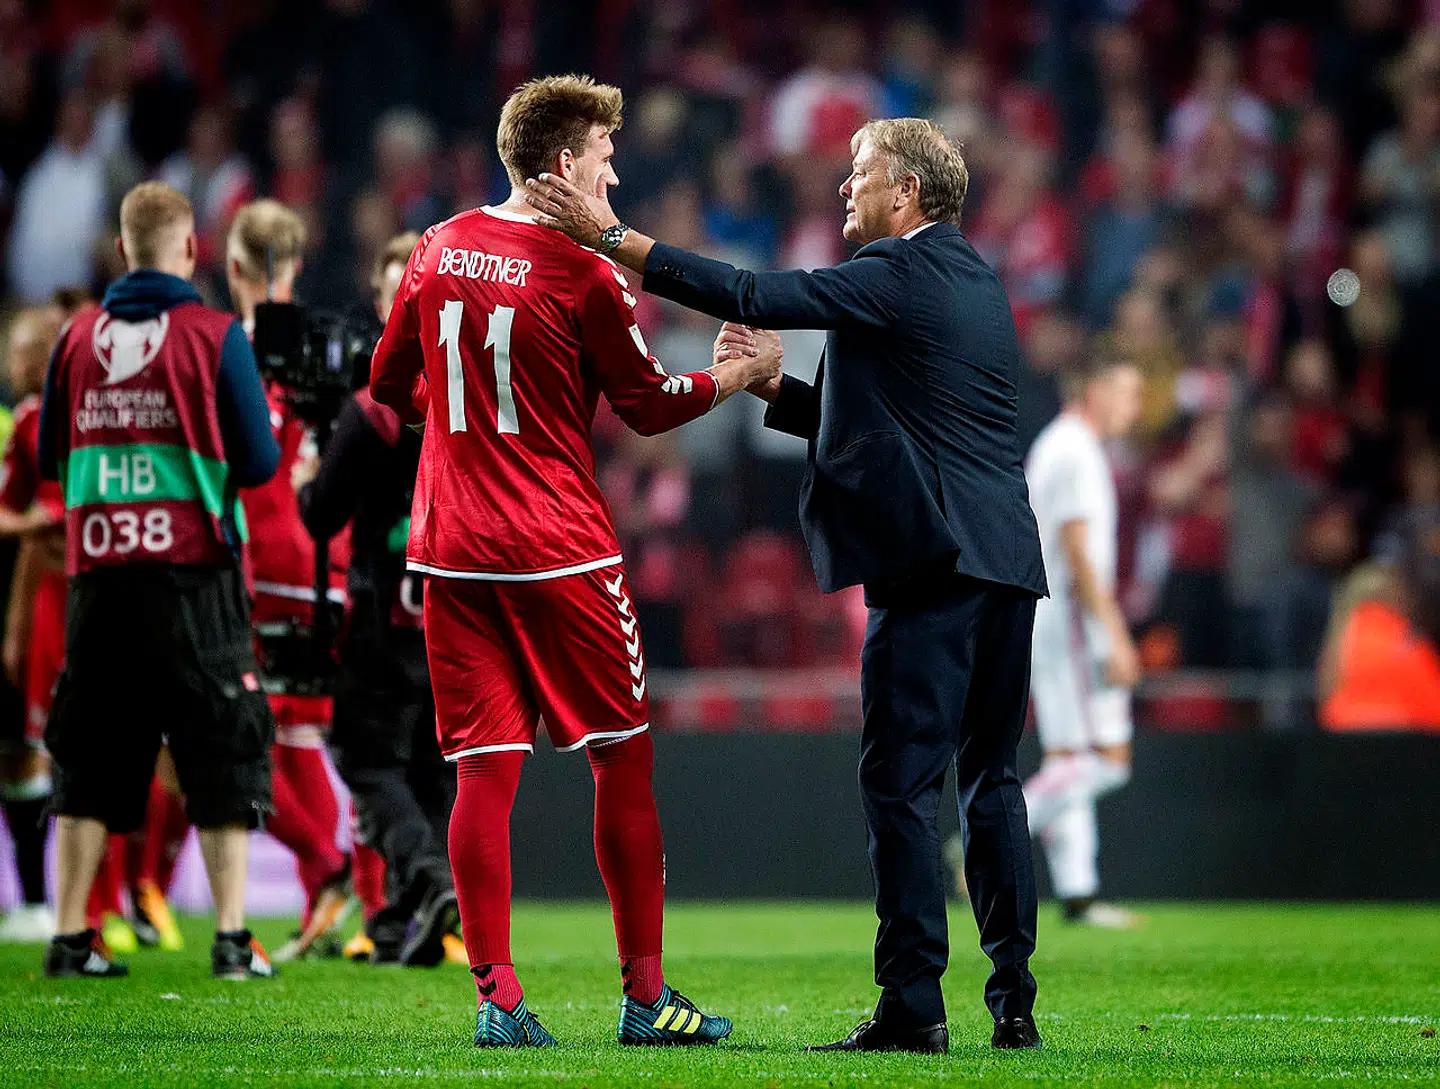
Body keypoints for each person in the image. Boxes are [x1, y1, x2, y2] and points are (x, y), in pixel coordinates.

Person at [528, 114, 1049, 1053]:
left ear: (907, 192)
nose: (846, 187)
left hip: (932, 567)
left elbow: (753, 292)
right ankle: (1014, 1000)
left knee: (900, 785)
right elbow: (898, 430)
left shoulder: (896, 271)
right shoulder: (975, 281)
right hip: (1007, 562)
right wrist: (774, 390)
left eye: (861, 171)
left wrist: (612, 237)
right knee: (992, 779)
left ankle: (913, 1006)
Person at [370, 75, 777, 1049]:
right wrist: (737, 374)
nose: (614, 173)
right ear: (563, 163)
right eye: (604, 156)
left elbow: (388, 383)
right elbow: (648, 405)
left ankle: (498, 998)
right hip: (558, 552)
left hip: (452, 549)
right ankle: (647, 998)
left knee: (480, 772)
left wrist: (465, 428)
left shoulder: (436, 245)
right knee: (621, 760)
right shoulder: (583, 272)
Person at [36, 181, 281, 979]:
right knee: (221, 745)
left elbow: (47, 458)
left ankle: (70, 936)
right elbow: (258, 462)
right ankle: (233, 940)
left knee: (86, 752)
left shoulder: (74, 339)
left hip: (99, 578)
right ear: (191, 249)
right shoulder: (215, 337)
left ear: (120, 251)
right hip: (195, 577)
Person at [295, 230, 460, 967]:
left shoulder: (374, 409)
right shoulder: (472, 399)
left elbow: (320, 514)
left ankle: (429, 885)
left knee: (367, 761)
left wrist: (309, 475)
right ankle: (411, 917)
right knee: (429, 768)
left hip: (384, 613)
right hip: (455, 613)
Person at [225, 200, 351, 959]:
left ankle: (327, 865)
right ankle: (321, 906)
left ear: (233, 264)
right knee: (299, 730)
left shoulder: (226, 350)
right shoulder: (325, 348)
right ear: (296, 263)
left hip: (253, 560)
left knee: (233, 740)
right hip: (322, 558)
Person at [1022, 354, 1145, 929]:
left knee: (1068, 761)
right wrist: (1114, 633)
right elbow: (1075, 549)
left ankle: (1079, 894)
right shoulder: (1073, 449)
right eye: (1126, 393)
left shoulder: (1063, 444)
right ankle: (991, 835)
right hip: (1072, 619)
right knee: (1108, 761)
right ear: (1093, 388)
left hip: (1054, 618)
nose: (1134, 408)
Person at [0, 306, 65, 943]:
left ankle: (64, 904)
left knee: (35, 749)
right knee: (28, 748)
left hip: (55, 599)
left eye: (22, 350)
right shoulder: (21, 420)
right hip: (37, 597)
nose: (13, 361)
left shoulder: (58, 419)